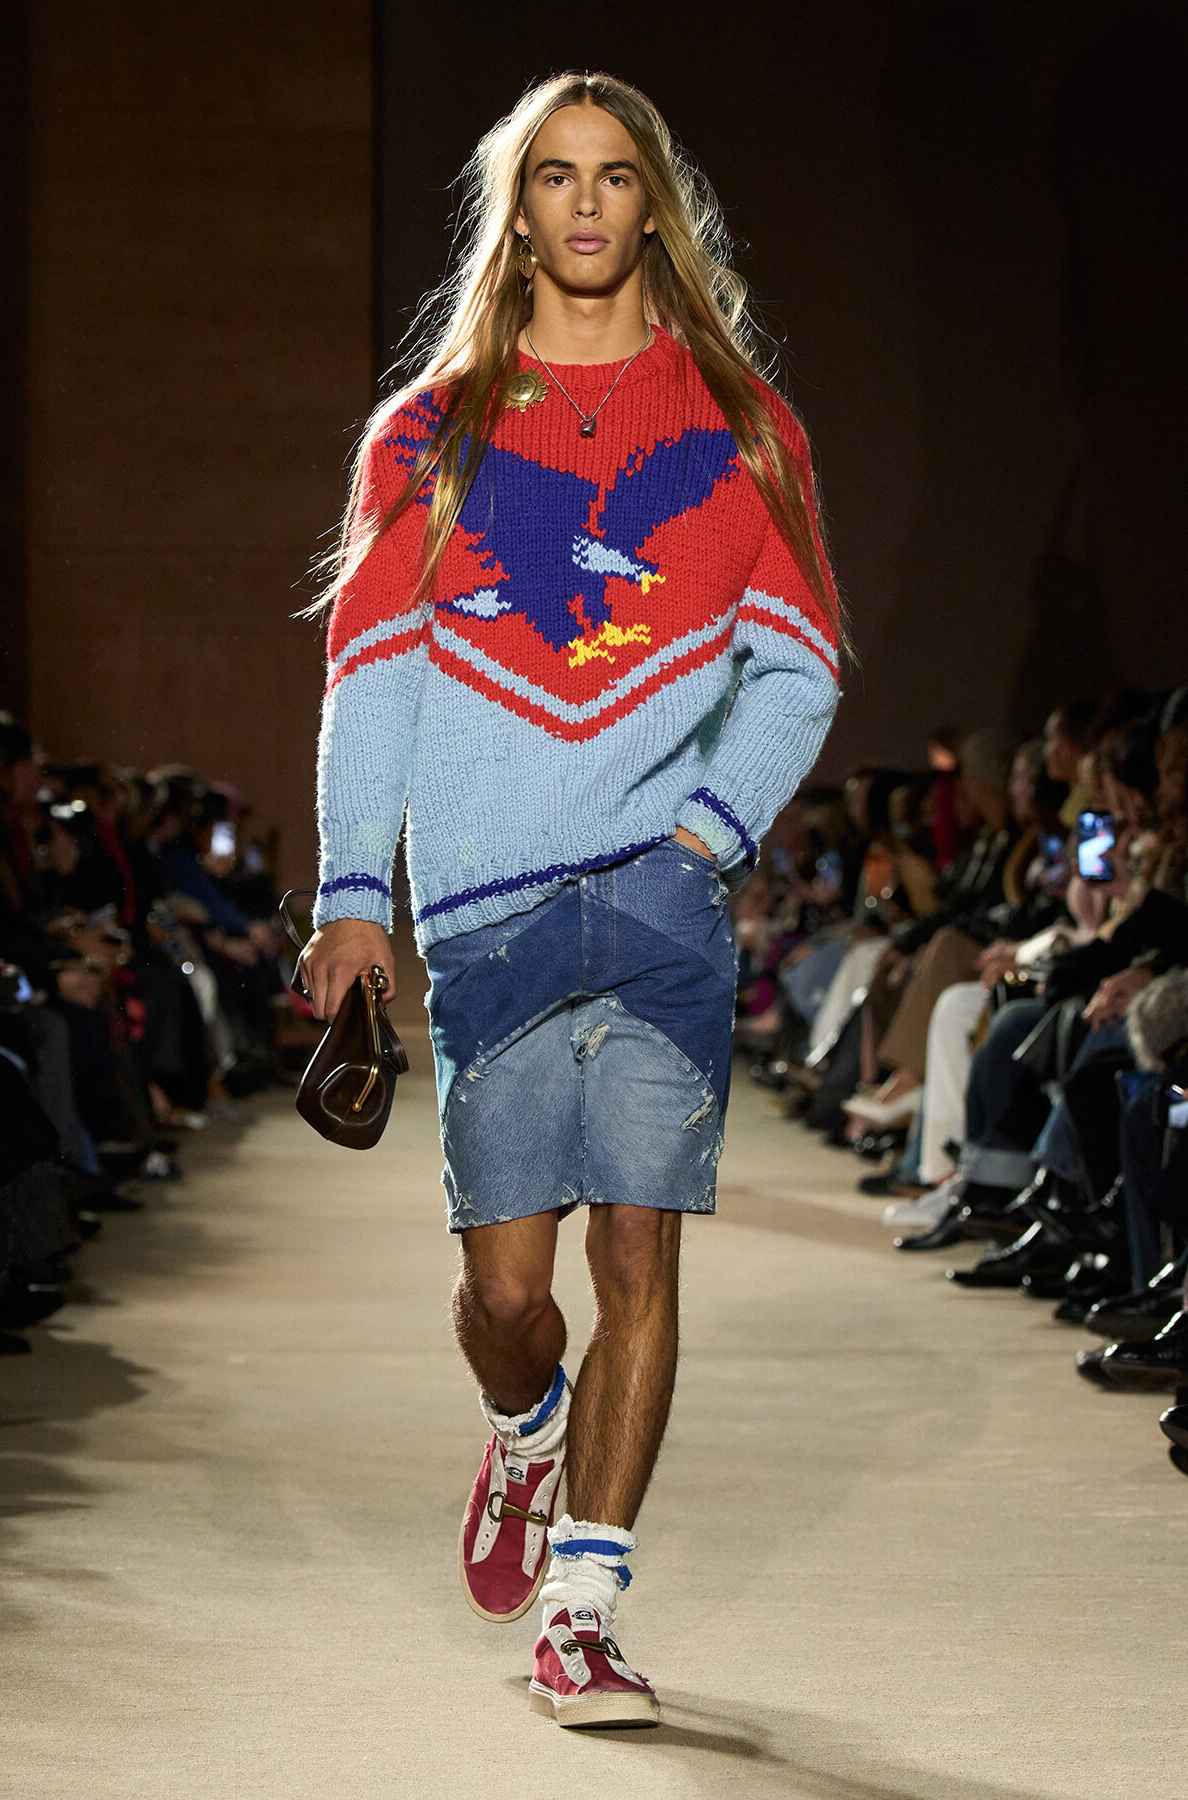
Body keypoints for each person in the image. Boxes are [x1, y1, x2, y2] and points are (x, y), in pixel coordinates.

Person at [299, 72, 841, 1728]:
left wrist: (704, 832)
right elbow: (371, 675)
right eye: (554, 177)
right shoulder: (434, 434)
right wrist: (349, 894)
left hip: (661, 908)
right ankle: (527, 1432)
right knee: (511, 1301)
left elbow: (801, 664)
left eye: (616, 176)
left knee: (642, 1270)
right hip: (482, 918)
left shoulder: (741, 426)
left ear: (654, 204)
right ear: (516, 211)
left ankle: (586, 1607)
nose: (589, 204)